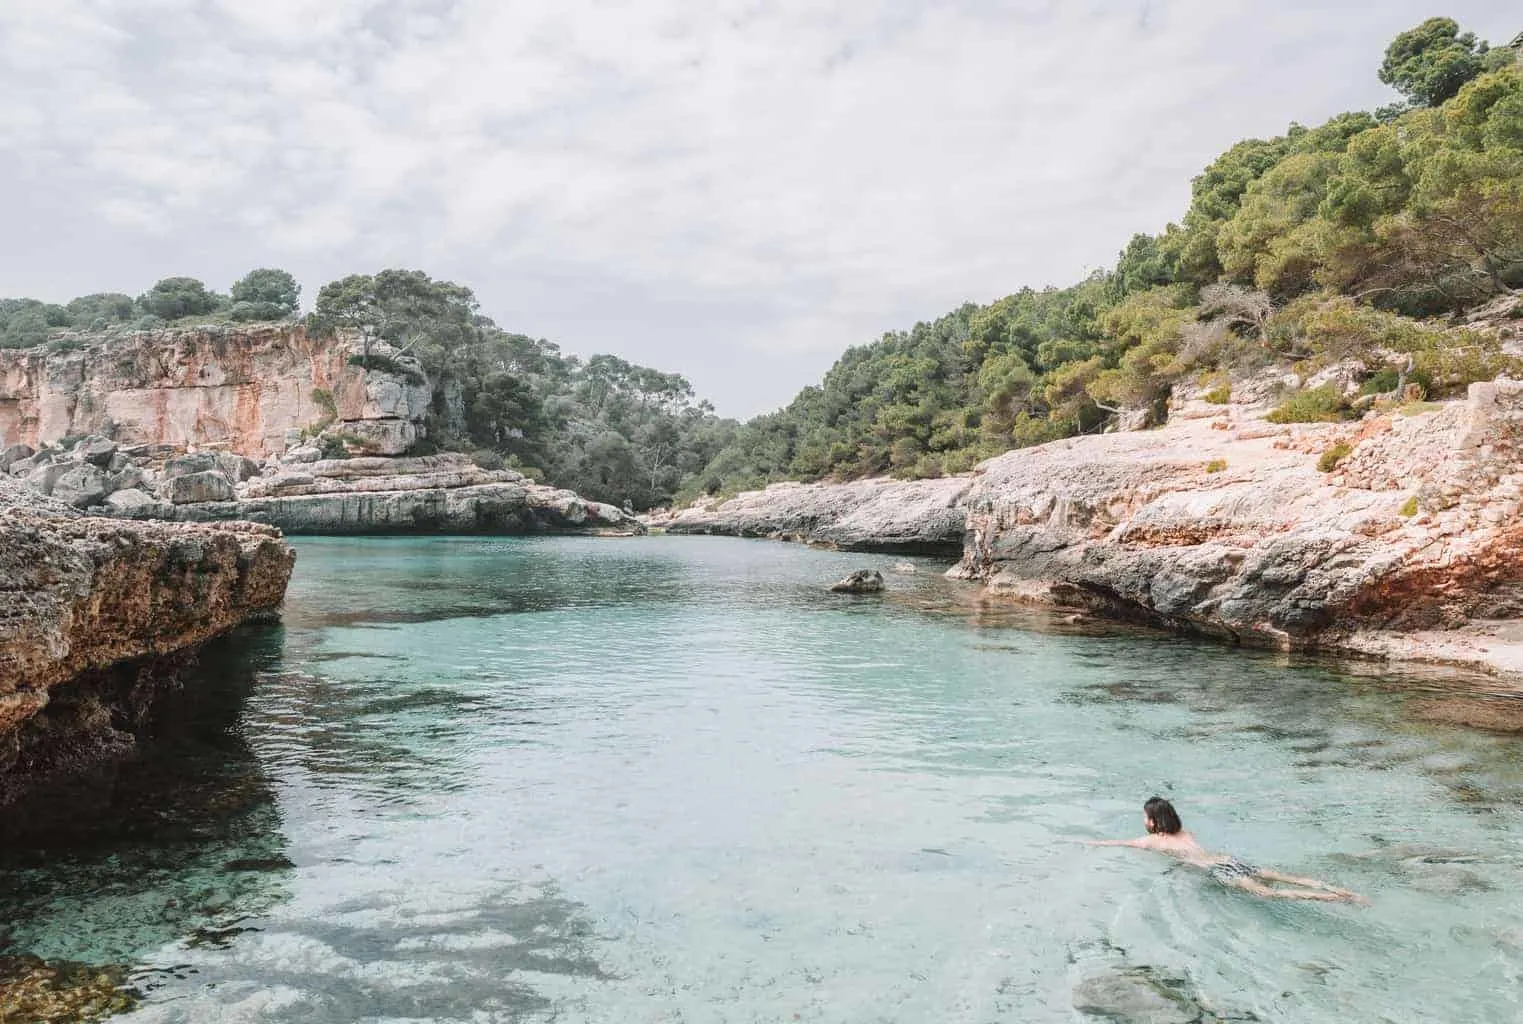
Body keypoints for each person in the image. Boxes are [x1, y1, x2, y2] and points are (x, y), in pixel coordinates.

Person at [1086, 797, 1367, 904]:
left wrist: (1089, 843)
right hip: (1228, 860)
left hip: (1217, 870)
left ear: (1153, 821)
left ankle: (1335, 899)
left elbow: (1121, 843)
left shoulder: (1153, 841)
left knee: (1270, 893)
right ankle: (1337, 889)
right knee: (1284, 876)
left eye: (1144, 816)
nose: (1142, 820)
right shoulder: (1186, 832)